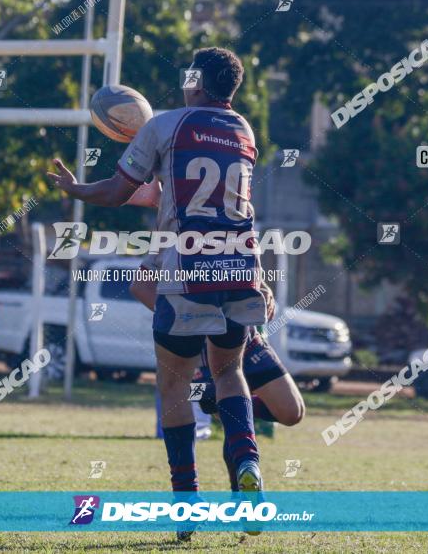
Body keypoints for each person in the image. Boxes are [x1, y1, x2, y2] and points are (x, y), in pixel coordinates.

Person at [49, 47, 267, 538]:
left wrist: (75, 189)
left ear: (197, 80)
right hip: (239, 269)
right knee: (229, 373)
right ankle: (248, 463)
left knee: (174, 386)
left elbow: (116, 192)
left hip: (184, 273)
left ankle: (186, 503)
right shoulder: (244, 131)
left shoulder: (166, 125)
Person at [131, 269, 305, 491]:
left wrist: (264, 288)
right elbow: (140, 285)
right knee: (229, 409)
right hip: (199, 354)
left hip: (249, 341)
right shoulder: (172, 237)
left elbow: (251, 270)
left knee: (293, 412)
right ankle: (239, 494)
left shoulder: (237, 234)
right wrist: (180, 317)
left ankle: (230, 409)